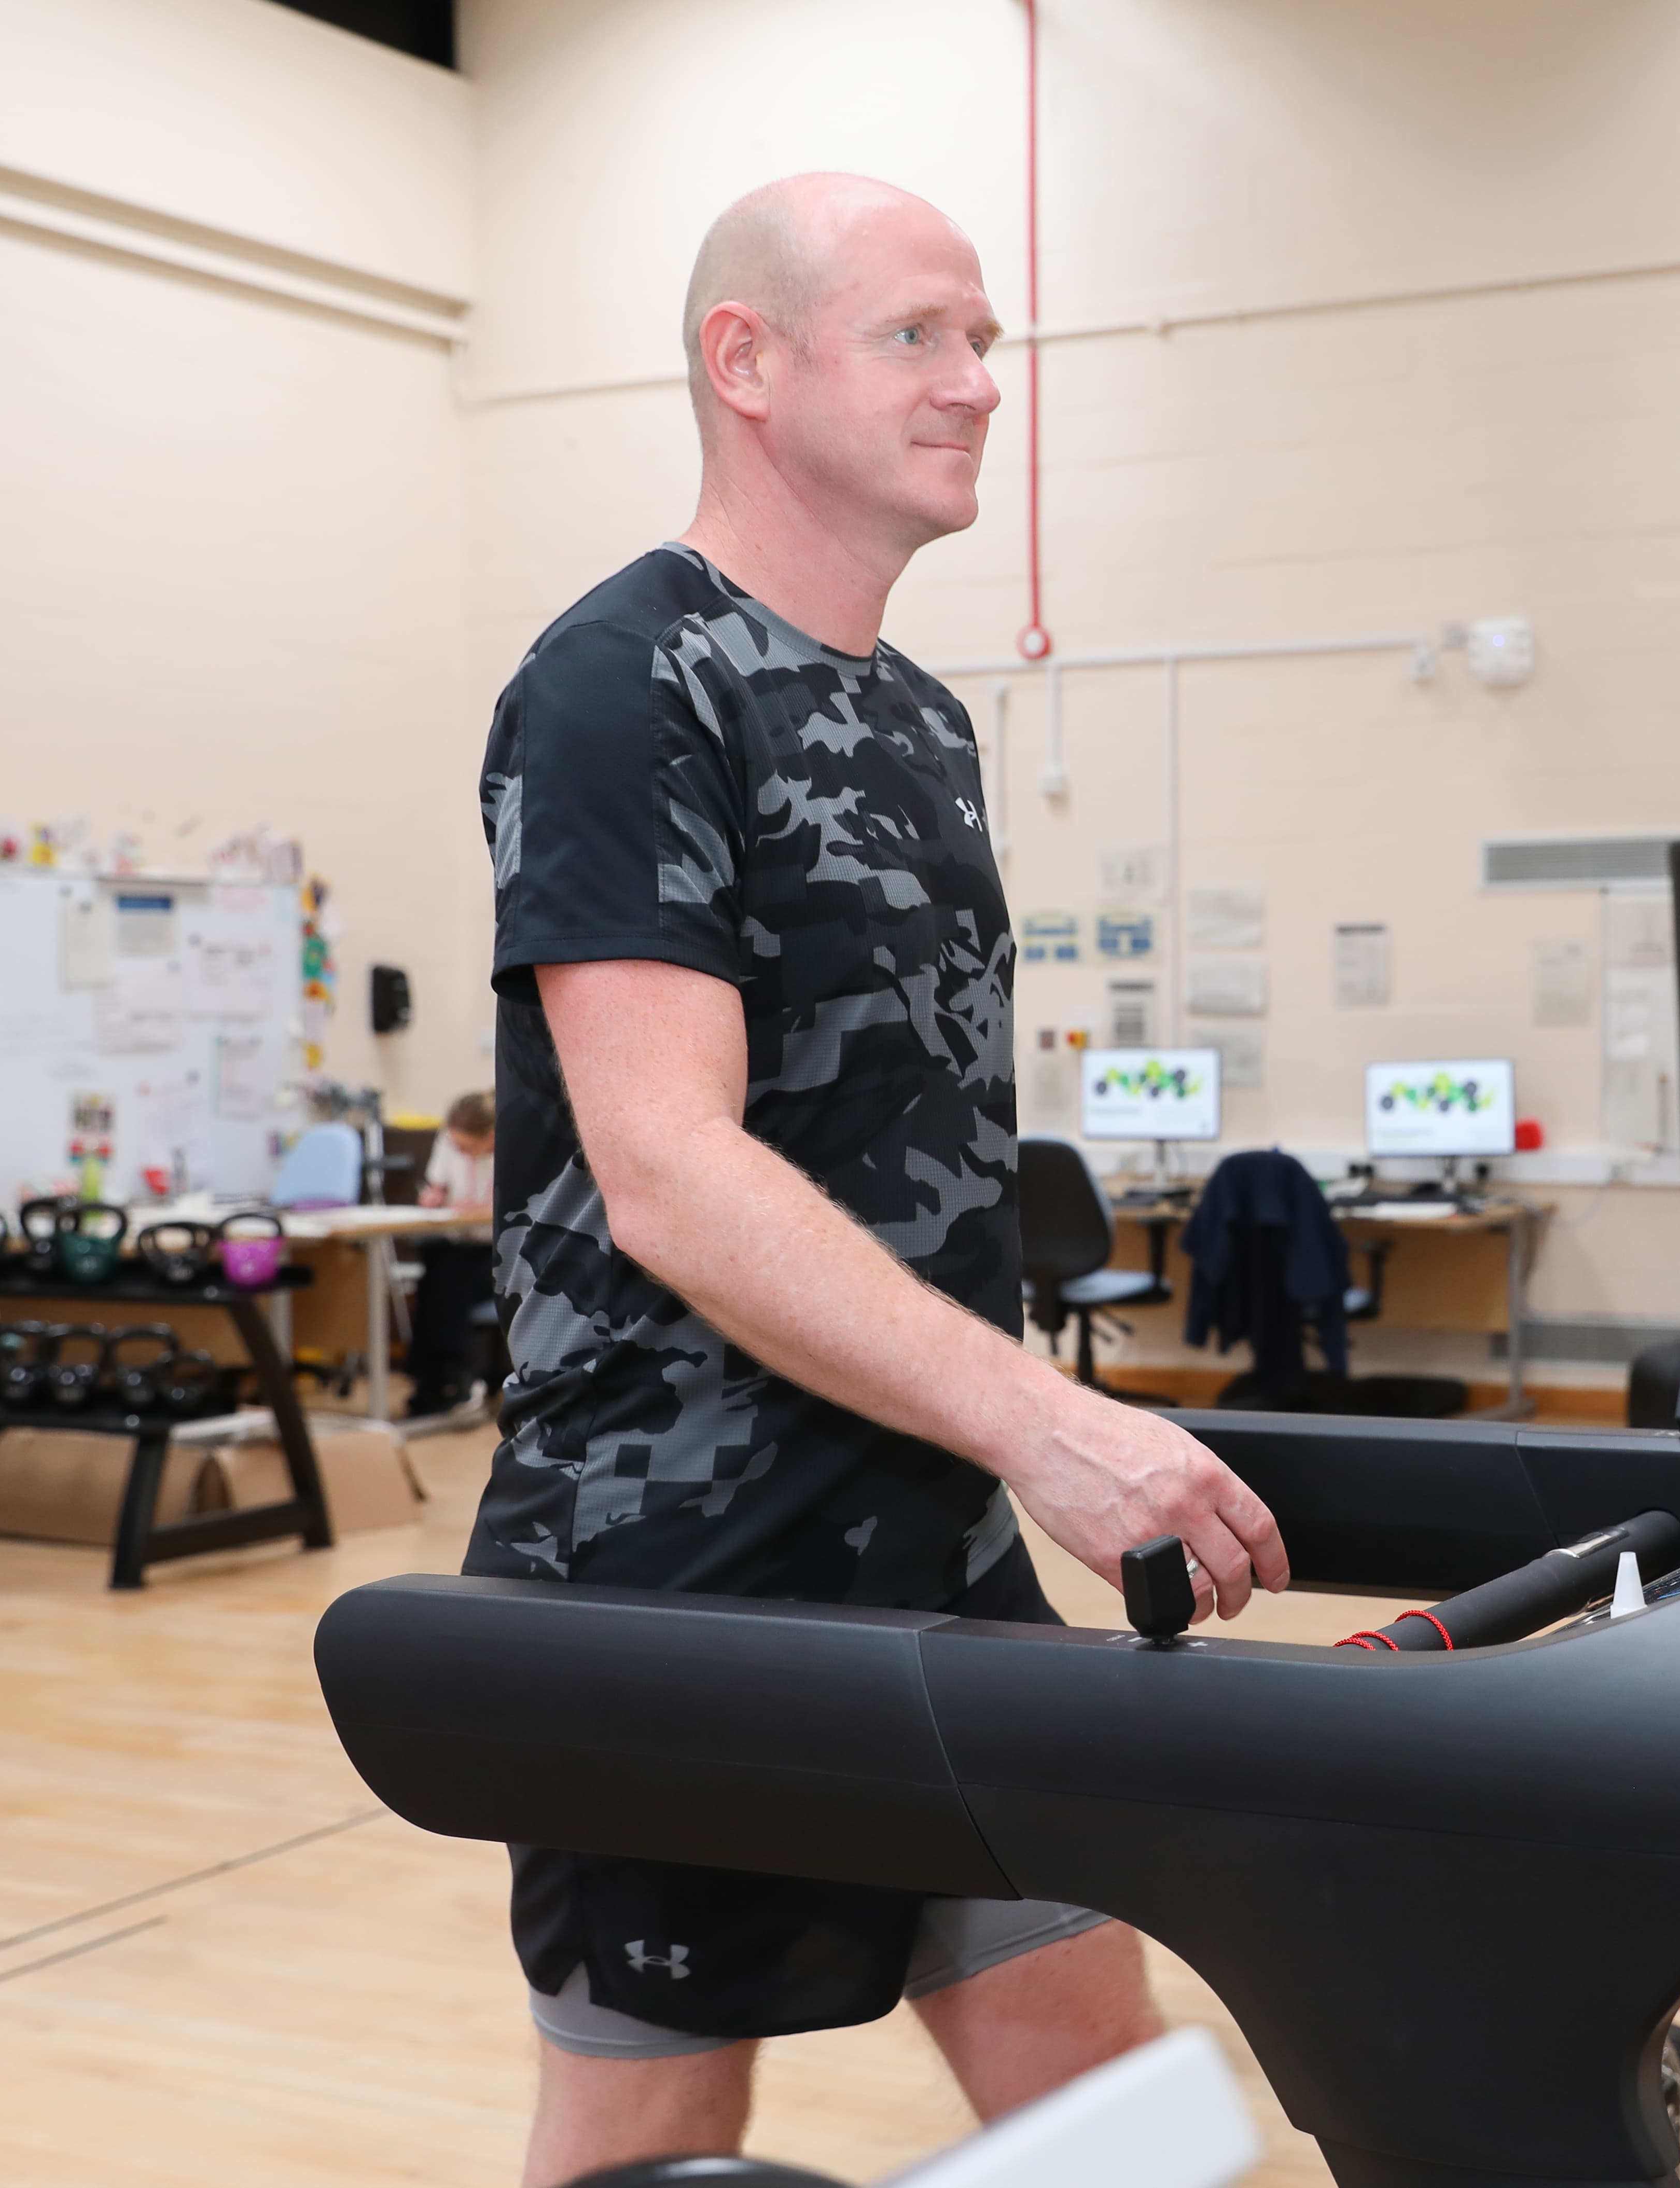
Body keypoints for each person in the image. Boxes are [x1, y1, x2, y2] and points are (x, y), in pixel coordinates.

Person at [463, 173, 1289, 2188]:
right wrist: (1058, 1427)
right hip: (687, 1563)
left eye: (987, 338)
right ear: (747, 362)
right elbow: (663, 1165)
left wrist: (1005, 1448)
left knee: (1134, 2121)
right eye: (920, 333)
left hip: (920, 1537)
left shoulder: (915, 716)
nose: (980, 384)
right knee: (652, 2141)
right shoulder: (619, 680)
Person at [404, 1089, 497, 1418]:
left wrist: (484, 1210)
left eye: (466, 1147)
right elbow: (437, 1184)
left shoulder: (515, 1151)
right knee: (435, 1273)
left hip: (498, 1254)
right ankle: (432, 1380)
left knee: (450, 1281)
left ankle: (449, 1378)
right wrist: (435, 1195)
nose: (460, 1152)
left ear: (491, 1137)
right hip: (457, 1246)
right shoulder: (448, 1141)